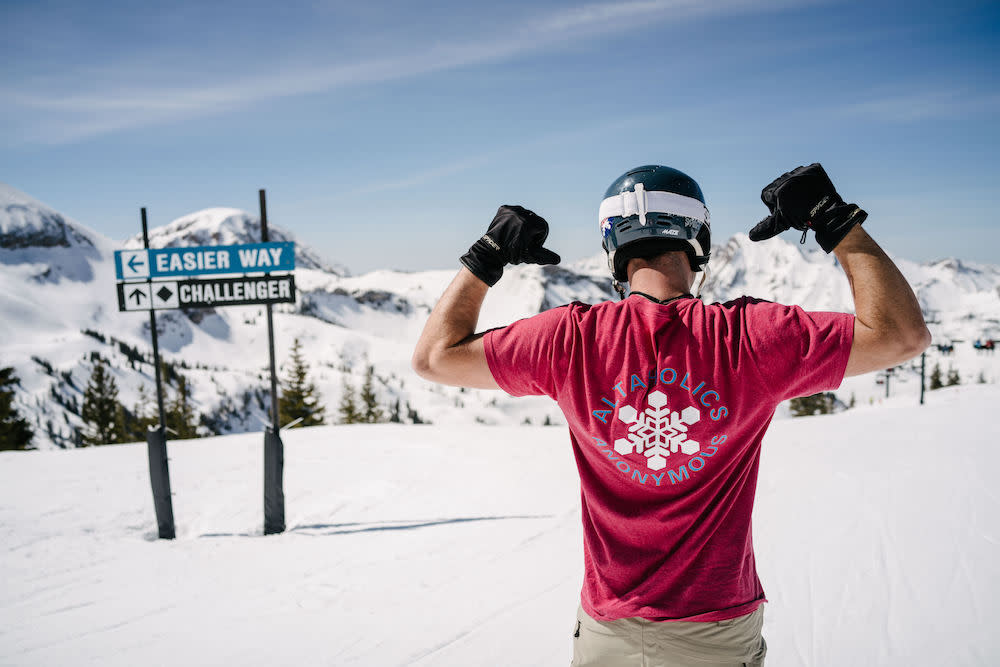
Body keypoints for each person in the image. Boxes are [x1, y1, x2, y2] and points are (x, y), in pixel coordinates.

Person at [412, 163, 930, 666]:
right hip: (716, 631)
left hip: (608, 633)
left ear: (613, 248)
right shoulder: (751, 339)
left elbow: (434, 357)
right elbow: (901, 336)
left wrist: (488, 256)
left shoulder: (568, 340)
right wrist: (832, 217)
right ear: (696, 239)